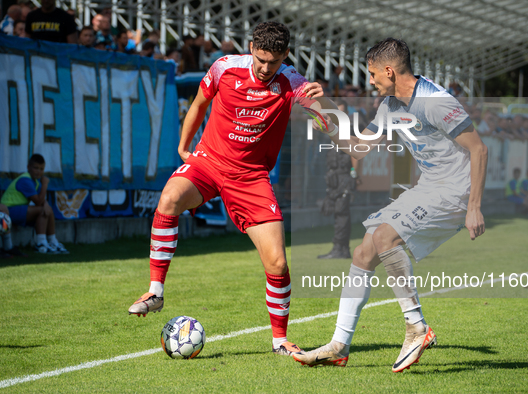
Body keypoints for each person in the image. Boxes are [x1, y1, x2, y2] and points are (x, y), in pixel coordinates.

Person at [127, 22, 325, 357]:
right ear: (251, 48)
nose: (265, 68)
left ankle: (279, 340)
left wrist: (326, 112)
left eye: (273, 62)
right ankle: (155, 291)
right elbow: (199, 104)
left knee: (277, 262)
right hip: (209, 162)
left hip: (250, 178)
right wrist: (184, 146)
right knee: (170, 197)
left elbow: (321, 115)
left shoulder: (291, 81)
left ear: (285, 57)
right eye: (261, 59)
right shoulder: (224, 68)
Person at [294, 38, 488, 372]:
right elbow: (358, 149)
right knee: (363, 253)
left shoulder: (435, 102)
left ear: (389, 71)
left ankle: (416, 328)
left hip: (455, 191)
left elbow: (479, 149)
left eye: (372, 74)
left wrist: (474, 206)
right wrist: (324, 111)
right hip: (428, 188)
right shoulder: (390, 106)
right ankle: (338, 346)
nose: (370, 81)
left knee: (385, 237)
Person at [0, 154, 69, 254]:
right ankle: (41, 243)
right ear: (28, 167)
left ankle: (53, 241)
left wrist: (45, 204)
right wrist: (45, 184)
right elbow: (38, 201)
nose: (39, 172)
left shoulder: (35, 182)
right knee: (42, 210)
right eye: (36, 168)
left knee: (48, 209)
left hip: (18, 210)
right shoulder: (25, 180)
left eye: (41, 169)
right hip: (7, 211)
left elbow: (41, 200)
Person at [318, 100, 357, 259]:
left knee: (342, 212)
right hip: (333, 177)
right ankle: (339, 248)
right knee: (337, 212)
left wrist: (354, 174)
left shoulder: (349, 130)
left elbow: (356, 153)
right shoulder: (331, 130)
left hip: (344, 175)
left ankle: (341, 249)